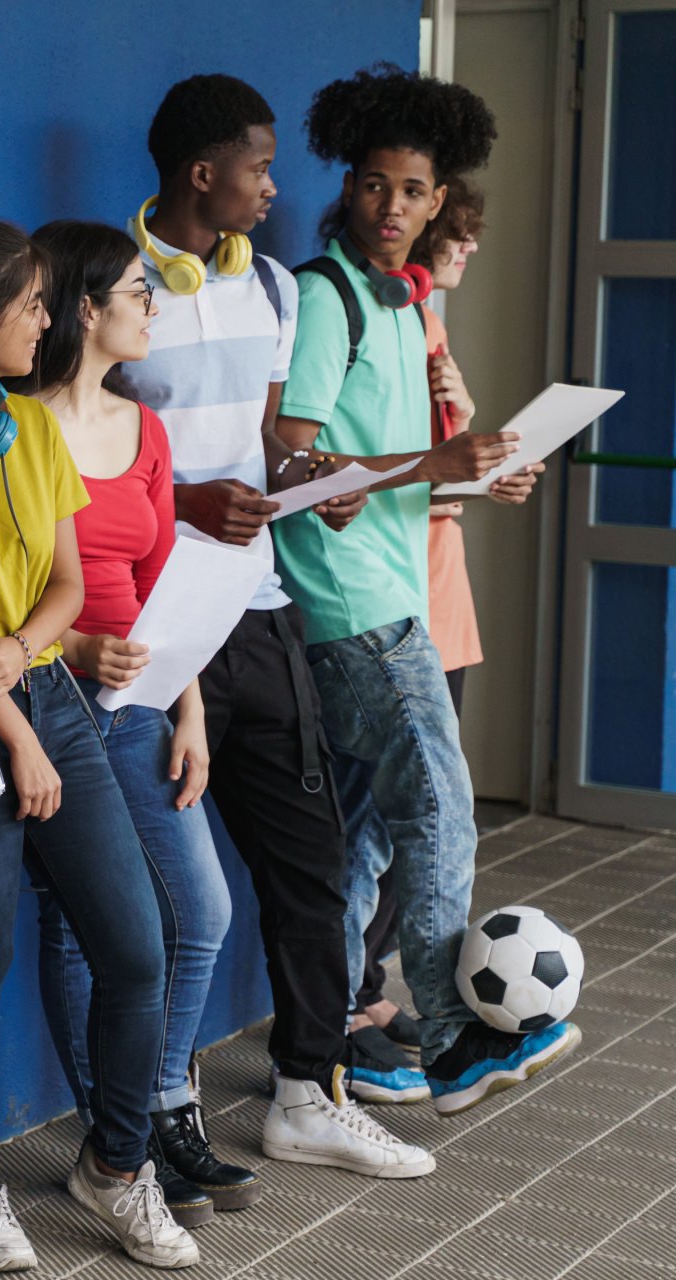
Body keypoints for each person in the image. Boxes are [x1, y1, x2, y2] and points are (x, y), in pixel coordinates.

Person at [118, 72, 435, 1173]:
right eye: (258, 164)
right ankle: (149, 1113)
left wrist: (316, 476)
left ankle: (307, 1090)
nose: (273, 185)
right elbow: (86, 456)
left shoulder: (273, 294)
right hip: (149, 630)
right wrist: (184, 503)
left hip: (258, 608)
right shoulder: (115, 289)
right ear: (202, 171)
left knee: (310, 864)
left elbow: (269, 440)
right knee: (158, 902)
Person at [0, 214, 201, 1271]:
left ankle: (115, 1165)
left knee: (138, 941)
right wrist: (12, 725)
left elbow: (69, 585)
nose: (47, 324)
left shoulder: (31, 428)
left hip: (42, 688)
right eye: (30, 308)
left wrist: (24, 656)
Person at [276, 64, 571, 1117]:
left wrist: (477, 473)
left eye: (412, 191)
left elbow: (395, 465)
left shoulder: (401, 307)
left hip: (394, 583)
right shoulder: (323, 296)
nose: (391, 208)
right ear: (348, 186)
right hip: (349, 602)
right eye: (373, 185)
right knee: (441, 809)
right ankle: (450, 1038)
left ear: (439, 199)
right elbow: (292, 458)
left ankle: (318, 1052)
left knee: (371, 835)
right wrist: (435, 466)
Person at [30, 217, 257, 1224]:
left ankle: (149, 1108)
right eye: (136, 289)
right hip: (61, 698)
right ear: (87, 308)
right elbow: (1, 583)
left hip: (148, 699)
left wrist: (190, 708)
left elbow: (166, 579)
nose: (153, 304)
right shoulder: (15, 424)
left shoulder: (146, 428)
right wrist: (75, 650)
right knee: (82, 929)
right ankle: (123, 1133)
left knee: (198, 913)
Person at [353, 177, 488, 1048]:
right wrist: (451, 471)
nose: (466, 254)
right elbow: (372, 478)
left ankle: (369, 992)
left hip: (445, 600)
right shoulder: (375, 320)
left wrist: (471, 435)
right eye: (460, 239)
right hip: (394, 604)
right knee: (380, 823)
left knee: (416, 824)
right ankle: (351, 1005)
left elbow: (448, 474)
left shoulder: (429, 329)